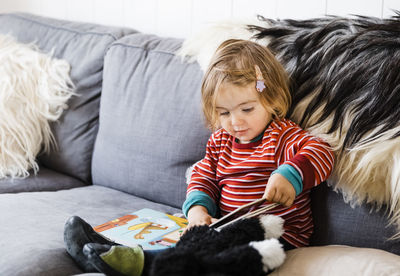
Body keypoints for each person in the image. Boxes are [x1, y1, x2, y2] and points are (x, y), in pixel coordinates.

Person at [64, 39, 334, 276]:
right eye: (224, 113)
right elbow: (203, 177)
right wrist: (198, 210)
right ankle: (110, 248)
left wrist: (291, 174)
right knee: (193, 237)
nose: (236, 121)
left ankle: (140, 264)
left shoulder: (283, 136)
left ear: (272, 99)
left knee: (211, 247)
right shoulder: (220, 141)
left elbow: (321, 152)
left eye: (247, 109)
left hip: (277, 236)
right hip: (224, 227)